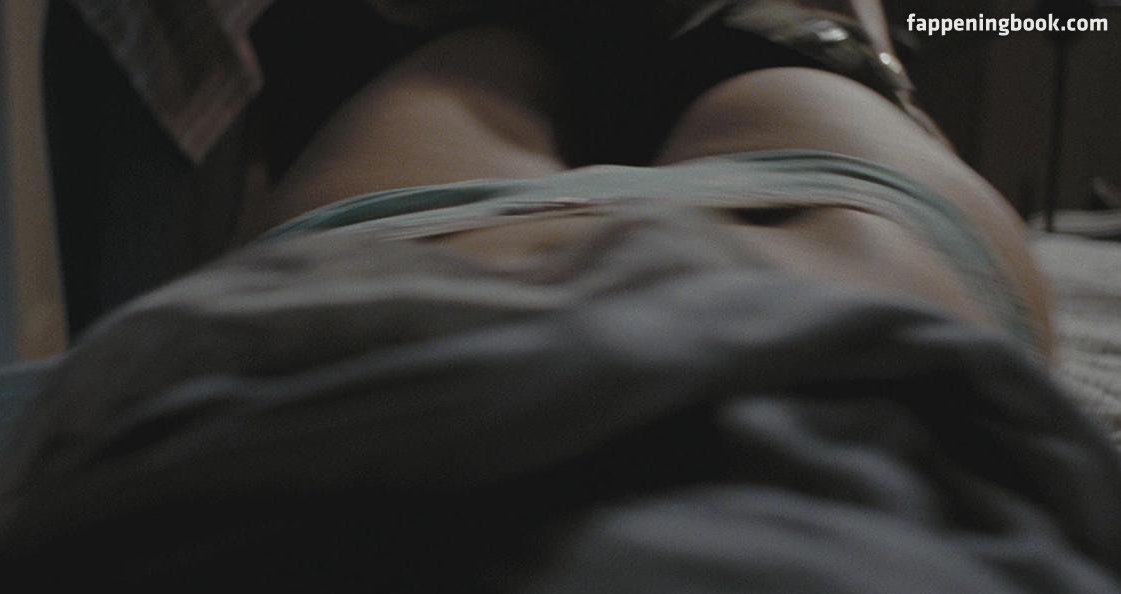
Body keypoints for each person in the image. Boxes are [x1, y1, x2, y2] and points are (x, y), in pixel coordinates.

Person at [257, 0, 1054, 358]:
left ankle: (523, 25)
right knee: (808, 70)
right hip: (868, 353)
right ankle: (816, 26)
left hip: (331, 358)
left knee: (482, 62)